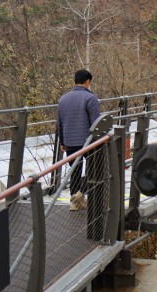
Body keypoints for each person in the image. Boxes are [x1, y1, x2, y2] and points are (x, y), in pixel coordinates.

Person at [56, 69, 100, 211]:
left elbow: (59, 124)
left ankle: (75, 203)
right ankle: (81, 194)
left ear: (74, 81)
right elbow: (95, 123)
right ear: (87, 81)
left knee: (74, 171)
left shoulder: (62, 100)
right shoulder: (90, 98)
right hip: (87, 142)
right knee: (95, 170)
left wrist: (62, 142)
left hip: (69, 142)